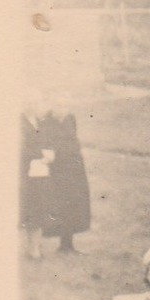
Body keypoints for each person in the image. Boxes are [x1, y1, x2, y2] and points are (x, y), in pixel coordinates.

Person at [40, 103, 91, 253]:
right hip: (56, 171)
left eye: (65, 106)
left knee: (74, 205)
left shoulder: (70, 118)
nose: (62, 110)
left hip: (74, 169)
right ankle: (59, 244)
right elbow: (46, 145)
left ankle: (68, 244)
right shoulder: (46, 122)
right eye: (59, 105)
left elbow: (74, 140)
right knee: (59, 206)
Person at [20, 100, 54, 261]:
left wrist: (49, 154)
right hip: (27, 172)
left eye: (38, 102)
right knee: (32, 209)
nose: (37, 106)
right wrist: (41, 155)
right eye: (33, 102)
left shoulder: (40, 122)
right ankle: (32, 249)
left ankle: (36, 246)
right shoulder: (20, 123)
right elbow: (22, 148)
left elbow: (46, 141)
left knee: (40, 208)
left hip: (41, 171)